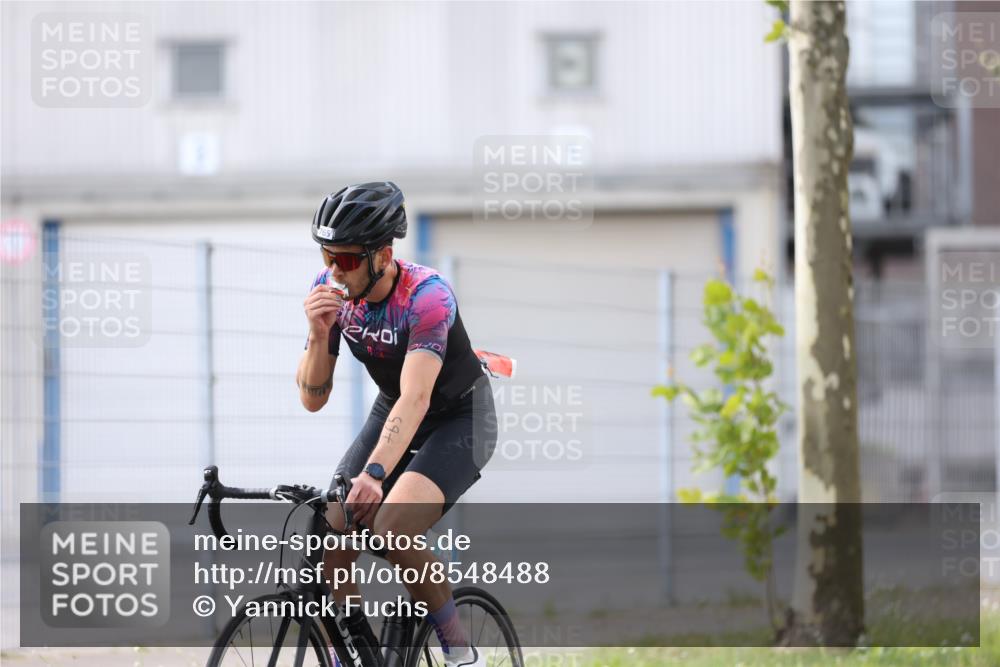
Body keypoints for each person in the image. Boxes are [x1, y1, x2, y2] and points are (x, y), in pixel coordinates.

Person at [297, 181, 495, 667]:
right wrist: (318, 332)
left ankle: (459, 649)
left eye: (345, 260)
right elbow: (311, 399)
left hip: (458, 417)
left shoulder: (427, 297)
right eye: (326, 256)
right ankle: (358, 656)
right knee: (328, 532)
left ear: (382, 255)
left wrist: (376, 475)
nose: (332, 271)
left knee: (392, 526)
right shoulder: (330, 295)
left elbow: (418, 396)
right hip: (395, 409)